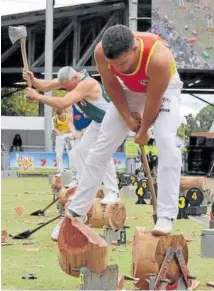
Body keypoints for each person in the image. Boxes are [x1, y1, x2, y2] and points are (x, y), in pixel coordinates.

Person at [23, 68, 120, 209]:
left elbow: (63, 103)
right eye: (64, 87)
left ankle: (113, 192)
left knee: (102, 155)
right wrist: (33, 80)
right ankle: (81, 183)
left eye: (68, 86)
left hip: (112, 120)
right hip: (99, 122)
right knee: (80, 151)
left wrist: (37, 97)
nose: (67, 89)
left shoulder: (87, 84)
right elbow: (45, 86)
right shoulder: (69, 79)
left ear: (75, 78)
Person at [53, 108, 77, 177]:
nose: (61, 116)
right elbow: (55, 128)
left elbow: (71, 127)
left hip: (68, 136)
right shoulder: (55, 118)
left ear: (64, 112)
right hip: (59, 137)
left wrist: (67, 132)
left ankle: (73, 171)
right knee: (58, 155)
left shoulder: (68, 116)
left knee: (71, 153)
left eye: (62, 114)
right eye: (59, 115)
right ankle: (59, 171)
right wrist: (58, 132)